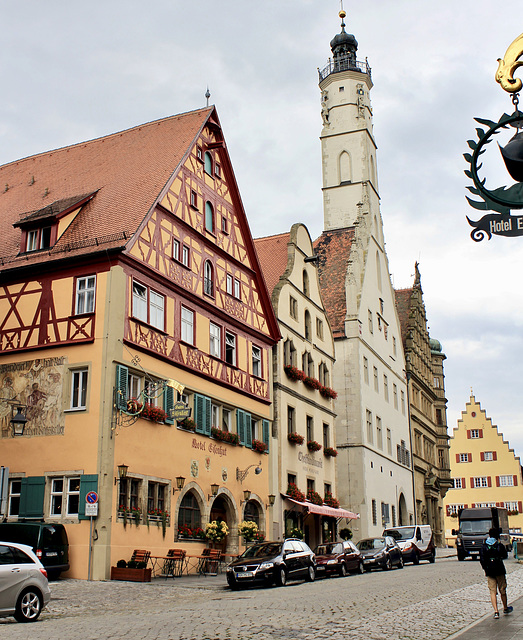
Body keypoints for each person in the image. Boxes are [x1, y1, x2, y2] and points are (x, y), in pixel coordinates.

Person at [479, 527, 513, 619]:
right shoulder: (499, 545)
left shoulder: (484, 546)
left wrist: (486, 568)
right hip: (499, 570)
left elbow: (482, 559)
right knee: (502, 589)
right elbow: (505, 555)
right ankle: (505, 608)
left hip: (490, 571)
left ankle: (496, 611)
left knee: (492, 591)